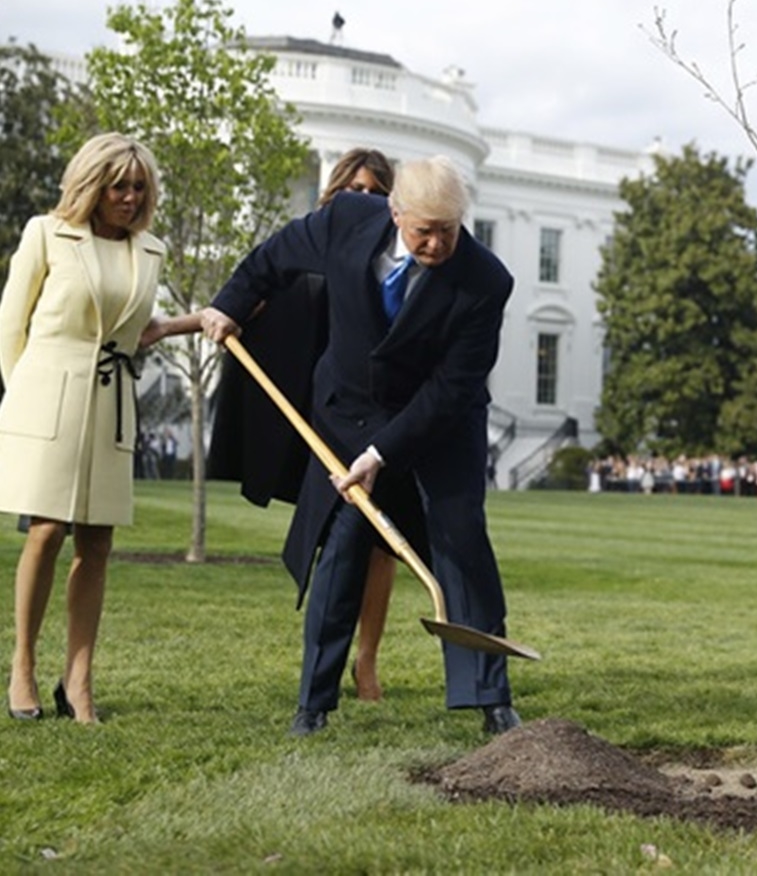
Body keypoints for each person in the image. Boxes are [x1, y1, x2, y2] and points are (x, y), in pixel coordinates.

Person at [200, 155, 521, 737]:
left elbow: (451, 390)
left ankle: (490, 698)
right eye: (423, 230)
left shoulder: (485, 280)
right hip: (347, 414)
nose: (436, 243)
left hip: (440, 428)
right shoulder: (347, 217)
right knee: (343, 546)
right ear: (395, 212)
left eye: (448, 230)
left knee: (460, 540)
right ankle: (313, 704)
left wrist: (382, 455)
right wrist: (229, 303)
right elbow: (274, 256)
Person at [202, 148, 401, 702]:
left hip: (380, 411)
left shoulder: (399, 258)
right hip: (323, 411)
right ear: (333, 193)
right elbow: (253, 286)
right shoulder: (309, 245)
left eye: (375, 192)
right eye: (353, 189)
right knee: (338, 535)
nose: (363, 201)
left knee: (381, 540)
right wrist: (221, 310)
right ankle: (325, 669)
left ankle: (367, 660)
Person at [1, 133, 167, 724]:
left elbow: (143, 325)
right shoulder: (45, 233)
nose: (128, 197)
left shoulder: (151, 252)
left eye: (138, 187)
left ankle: (79, 681)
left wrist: (204, 320)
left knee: (98, 543)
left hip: (113, 404)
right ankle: (21, 666)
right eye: (118, 186)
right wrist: (25, 402)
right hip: (48, 399)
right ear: (92, 185)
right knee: (45, 531)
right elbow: (10, 327)